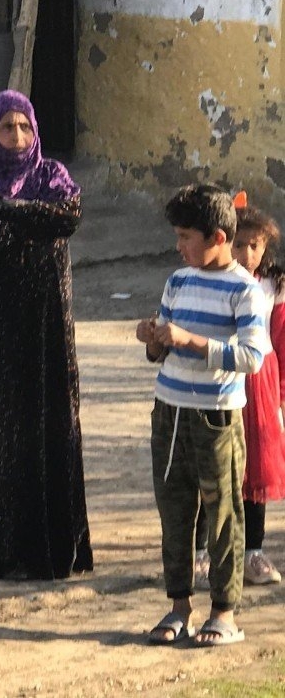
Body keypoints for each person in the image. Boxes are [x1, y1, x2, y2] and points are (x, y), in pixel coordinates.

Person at [0, 89, 93, 581]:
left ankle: (50, 547)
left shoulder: (53, 175)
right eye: (6, 127)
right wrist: (30, 216)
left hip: (46, 321)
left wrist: (8, 213)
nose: (16, 136)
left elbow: (68, 218)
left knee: (48, 417)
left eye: (24, 127)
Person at [136, 185, 268, 646]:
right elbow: (160, 349)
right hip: (169, 412)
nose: (178, 246)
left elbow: (252, 356)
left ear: (217, 236)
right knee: (175, 513)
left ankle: (224, 613)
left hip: (215, 418)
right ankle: (178, 608)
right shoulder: (179, 280)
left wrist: (190, 340)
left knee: (222, 516)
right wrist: (152, 337)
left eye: (186, 236)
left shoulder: (245, 290)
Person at [194, 205, 285, 587]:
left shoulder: (273, 287)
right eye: (241, 245)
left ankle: (253, 553)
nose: (248, 255)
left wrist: (280, 397)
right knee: (215, 467)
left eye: (256, 246)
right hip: (222, 378)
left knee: (257, 469)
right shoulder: (211, 281)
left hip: (261, 382)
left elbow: (279, 339)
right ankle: (201, 554)